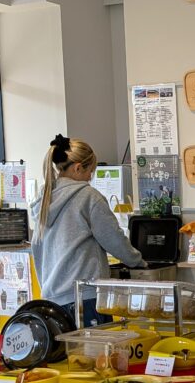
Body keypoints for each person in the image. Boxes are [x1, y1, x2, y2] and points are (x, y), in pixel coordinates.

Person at [31, 134, 144, 326]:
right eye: (90, 172)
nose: (90, 178)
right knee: (98, 346)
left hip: (53, 302)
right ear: (77, 168)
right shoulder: (88, 196)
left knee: (70, 347)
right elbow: (114, 239)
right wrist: (138, 261)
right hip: (86, 296)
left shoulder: (43, 200)